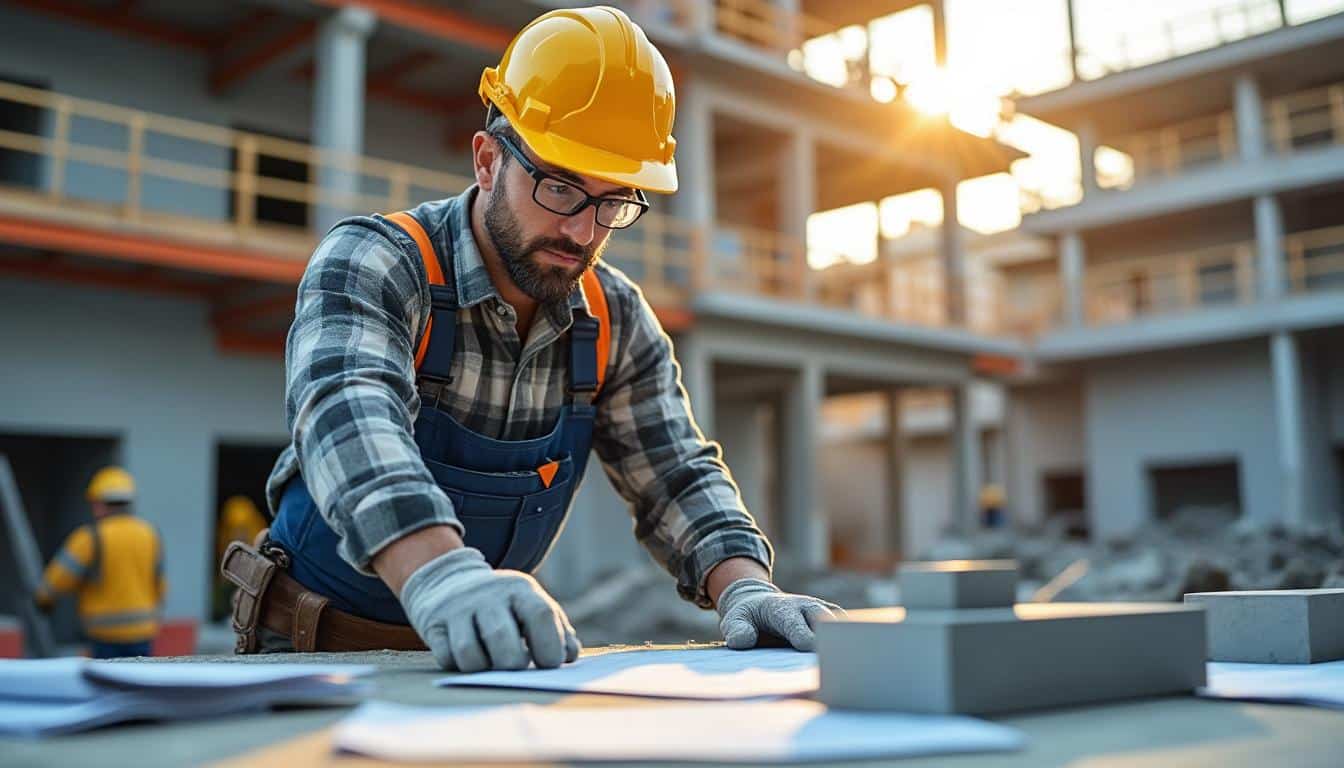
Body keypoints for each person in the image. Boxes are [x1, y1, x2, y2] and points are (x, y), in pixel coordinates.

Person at [222, 6, 841, 669]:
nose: (580, 231)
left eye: (613, 202)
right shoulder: (378, 261)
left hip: (492, 663)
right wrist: (440, 574)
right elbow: (349, 420)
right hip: (311, 650)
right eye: (559, 186)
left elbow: (677, 473)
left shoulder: (614, 318)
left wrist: (745, 585)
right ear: (488, 161)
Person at [36, 467, 166, 659]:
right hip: (143, 631)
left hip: (104, 636)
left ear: (98, 503)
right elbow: (160, 582)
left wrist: (43, 600)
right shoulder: (149, 534)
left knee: (107, 686)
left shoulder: (89, 538)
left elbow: (57, 580)